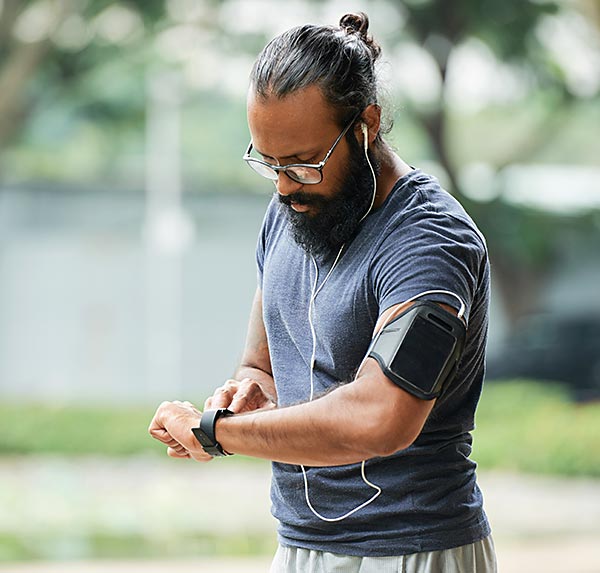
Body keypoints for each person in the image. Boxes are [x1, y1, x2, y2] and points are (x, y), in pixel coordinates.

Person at [149, 12, 497, 573]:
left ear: (365, 126)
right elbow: (259, 365)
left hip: (414, 548)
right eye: (270, 164)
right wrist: (243, 398)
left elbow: (381, 416)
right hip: (299, 544)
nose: (286, 187)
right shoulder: (288, 214)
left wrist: (218, 434)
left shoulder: (430, 243)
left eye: (304, 164)